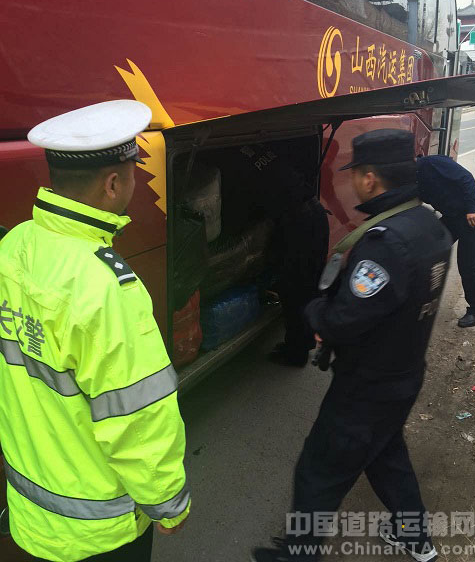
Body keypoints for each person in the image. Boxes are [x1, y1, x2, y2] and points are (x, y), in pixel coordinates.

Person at [0, 101, 190, 562]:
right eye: (132, 173)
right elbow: (139, 418)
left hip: (30, 509)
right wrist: (168, 504)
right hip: (99, 532)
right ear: (113, 184)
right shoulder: (107, 289)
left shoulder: (15, 244)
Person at [251, 129, 451, 562]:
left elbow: (342, 320)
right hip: (402, 374)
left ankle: (298, 556)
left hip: (366, 387)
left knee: (318, 471)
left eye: (357, 173)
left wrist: (314, 313)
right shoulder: (428, 225)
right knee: (385, 456)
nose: (355, 181)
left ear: (371, 179)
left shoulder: (385, 244)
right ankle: (415, 538)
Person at [213, 141, 329, 367]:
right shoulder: (254, 145)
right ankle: (303, 343)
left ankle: (295, 353)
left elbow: (240, 206)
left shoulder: (231, 159)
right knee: (308, 285)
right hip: (314, 213)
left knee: (294, 289)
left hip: (298, 222)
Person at [417, 154, 475, 327]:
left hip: (472, 217)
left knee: (468, 264)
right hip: (452, 217)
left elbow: (466, 178)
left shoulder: (432, 163)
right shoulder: (411, 179)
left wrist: (473, 209)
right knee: (430, 247)